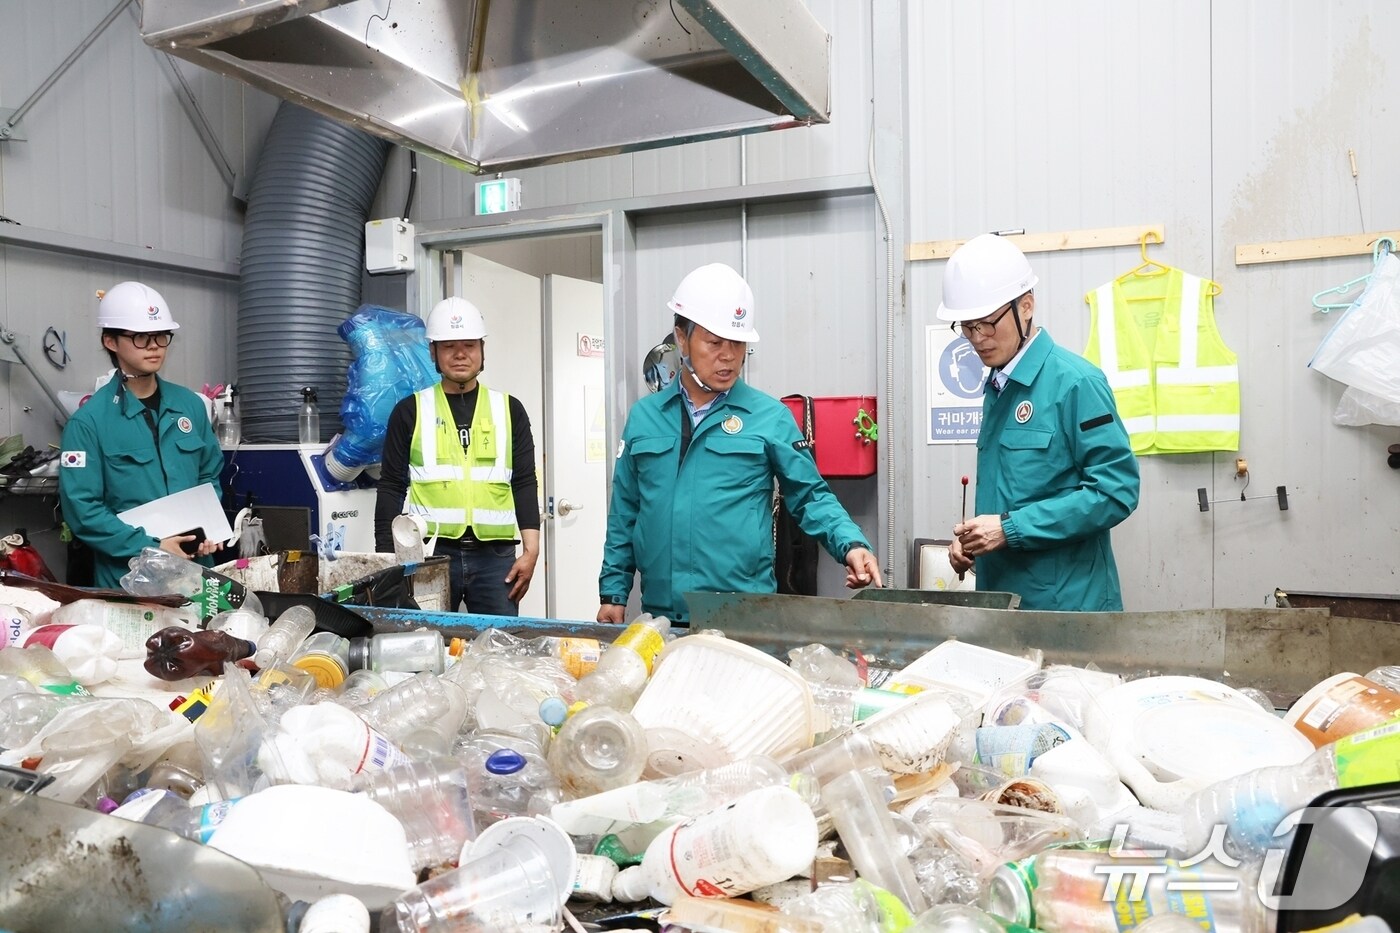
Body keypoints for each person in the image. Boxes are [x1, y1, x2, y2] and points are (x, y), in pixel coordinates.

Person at [597, 263, 883, 624]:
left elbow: (810, 496)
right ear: (681, 338)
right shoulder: (644, 417)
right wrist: (613, 591)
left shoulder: (770, 417)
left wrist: (852, 544)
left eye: (738, 343)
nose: (729, 356)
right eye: (715, 342)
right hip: (662, 617)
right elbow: (625, 511)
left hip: (744, 616)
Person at [939, 234, 1140, 611]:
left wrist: (1008, 529)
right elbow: (1015, 495)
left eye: (986, 323)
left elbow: (1116, 491)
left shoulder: (1076, 383)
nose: (977, 339)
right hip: (1004, 602)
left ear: (1026, 306)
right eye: (966, 327)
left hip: (1066, 610)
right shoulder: (998, 387)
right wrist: (973, 543)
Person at [374, 297, 540, 615]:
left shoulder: (509, 409)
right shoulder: (410, 411)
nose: (460, 354)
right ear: (433, 352)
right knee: (427, 648)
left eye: (469, 344)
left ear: (482, 350)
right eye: (449, 345)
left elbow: (524, 481)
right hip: (429, 555)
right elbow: (391, 486)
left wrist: (531, 549)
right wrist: (386, 559)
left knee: (496, 648)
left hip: (496, 560)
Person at [59, 281, 225, 587]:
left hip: (195, 570)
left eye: (161, 336)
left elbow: (208, 475)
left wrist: (207, 529)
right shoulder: (89, 423)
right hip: (129, 577)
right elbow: (83, 510)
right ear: (111, 341)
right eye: (140, 337)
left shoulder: (190, 406)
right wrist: (149, 547)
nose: (154, 345)